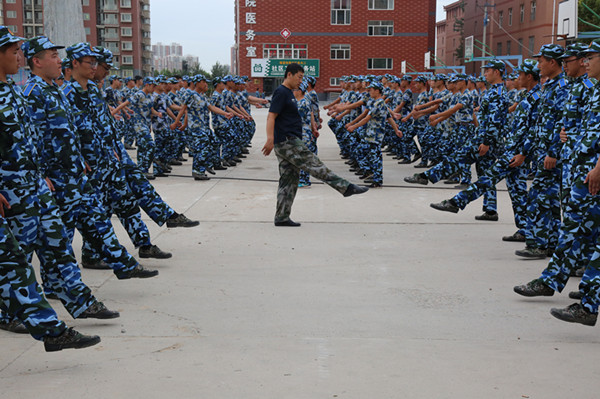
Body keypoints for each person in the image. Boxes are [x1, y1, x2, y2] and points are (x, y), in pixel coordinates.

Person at [261, 63, 368, 227]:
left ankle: (281, 217)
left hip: (286, 141)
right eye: (299, 77)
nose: (301, 80)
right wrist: (269, 139)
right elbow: (271, 116)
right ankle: (345, 187)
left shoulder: (289, 93)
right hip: (288, 141)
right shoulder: (281, 92)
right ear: (289, 75)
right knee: (315, 165)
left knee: (288, 181)